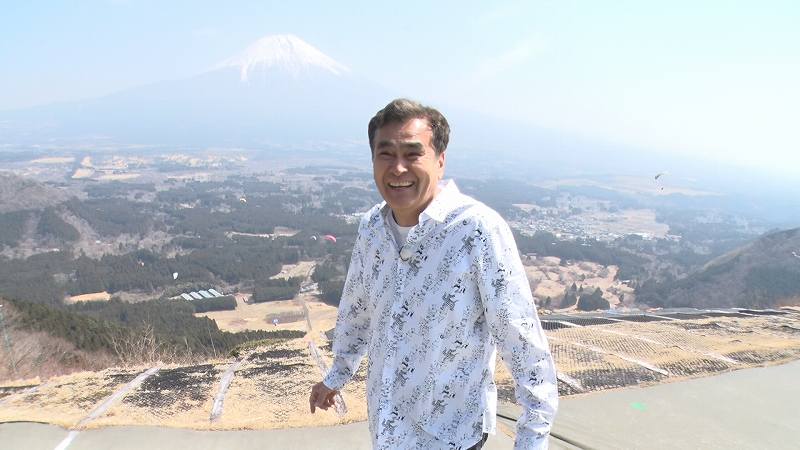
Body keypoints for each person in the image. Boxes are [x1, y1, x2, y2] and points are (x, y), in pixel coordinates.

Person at [309, 98, 558, 449]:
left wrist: (532, 440)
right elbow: (357, 312)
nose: (398, 168)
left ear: (440, 161)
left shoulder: (476, 230)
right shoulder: (372, 228)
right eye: (385, 154)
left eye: (413, 154)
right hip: (387, 432)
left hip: (451, 437)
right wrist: (336, 375)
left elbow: (522, 343)